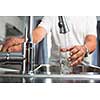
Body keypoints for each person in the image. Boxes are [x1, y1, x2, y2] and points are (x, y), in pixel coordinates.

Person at [1, 16, 97, 74]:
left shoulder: (88, 14)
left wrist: (84, 49)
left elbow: (92, 41)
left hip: (82, 66)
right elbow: (38, 33)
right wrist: (22, 41)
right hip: (56, 67)